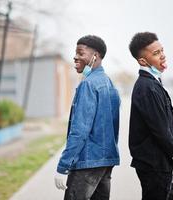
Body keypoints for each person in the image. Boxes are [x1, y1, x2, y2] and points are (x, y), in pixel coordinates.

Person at [54, 35, 121, 200]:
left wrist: (63, 166)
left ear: (95, 56)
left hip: (87, 161)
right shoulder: (109, 83)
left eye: (80, 53)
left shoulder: (88, 84)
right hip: (105, 161)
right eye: (75, 53)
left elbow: (79, 130)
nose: (75, 57)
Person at [128, 32, 173, 200]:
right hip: (154, 165)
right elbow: (161, 130)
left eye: (162, 50)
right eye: (156, 53)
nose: (162, 55)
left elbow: (167, 124)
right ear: (143, 61)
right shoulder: (148, 87)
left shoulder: (153, 82)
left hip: (160, 163)